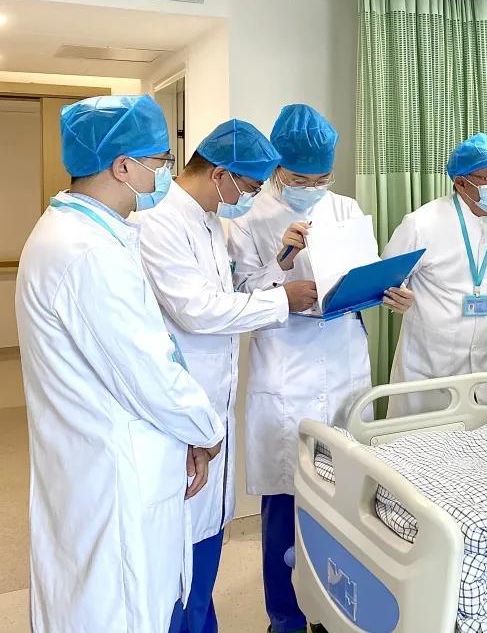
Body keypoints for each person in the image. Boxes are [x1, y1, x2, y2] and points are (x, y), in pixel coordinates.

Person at [15, 94, 226, 633]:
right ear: (123, 166)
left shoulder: (76, 233)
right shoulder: (88, 252)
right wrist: (206, 431)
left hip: (94, 461)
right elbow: (149, 373)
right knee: (120, 606)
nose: (165, 174)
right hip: (112, 473)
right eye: (159, 162)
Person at [228, 104, 410, 633]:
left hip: (344, 356)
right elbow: (238, 295)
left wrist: (388, 292)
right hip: (287, 364)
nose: (313, 188)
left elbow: (363, 272)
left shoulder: (346, 208)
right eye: (300, 179)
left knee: (346, 496)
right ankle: (285, 618)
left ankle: (334, 610)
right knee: (286, 501)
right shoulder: (247, 217)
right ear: (277, 168)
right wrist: (282, 263)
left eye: (321, 178)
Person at [132, 119, 316, 633]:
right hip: (182, 402)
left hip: (212, 400)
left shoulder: (209, 220)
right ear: (220, 175)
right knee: (180, 550)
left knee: (205, 540)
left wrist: (280, 265)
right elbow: (197, 310)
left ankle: (199, 621)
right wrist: (282, 301)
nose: (251, 198)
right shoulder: (160, 224)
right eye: (251, 187)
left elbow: (231, 293)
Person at [383, 132, 487, 416]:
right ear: (461, 183)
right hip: (428, 365)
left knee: (485, 437)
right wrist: (397, 295)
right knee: (420, 439)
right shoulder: (422, 223)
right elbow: (385, 281)